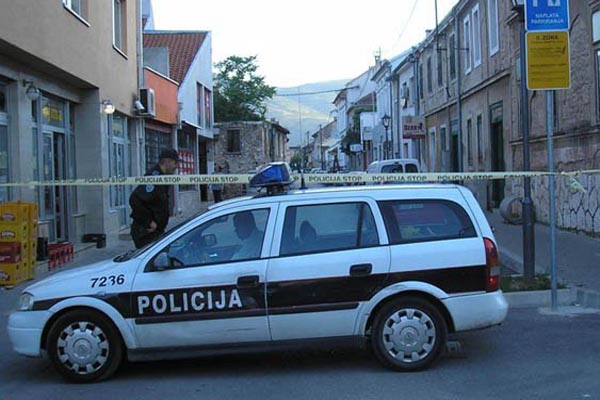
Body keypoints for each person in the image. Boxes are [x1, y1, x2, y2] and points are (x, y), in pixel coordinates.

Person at [129, 148, 179, 249]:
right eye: (175, 163)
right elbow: (135, 199)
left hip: (156, 232)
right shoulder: (154, 177)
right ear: (167, 161)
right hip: (146, 232)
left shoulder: (162, 177)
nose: (176, 167)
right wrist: (148, 222)